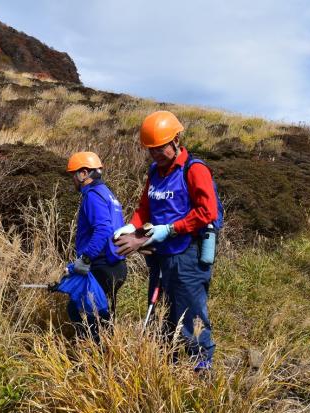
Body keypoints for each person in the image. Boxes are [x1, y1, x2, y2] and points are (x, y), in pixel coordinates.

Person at [113, 111, 221, 371]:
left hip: (187, 255)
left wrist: (170, 229)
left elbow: (208, 212)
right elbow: (144, 207)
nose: (156, 154)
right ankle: (166, 368)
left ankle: (202, 371)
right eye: (151, 150)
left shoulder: (195, 170)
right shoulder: (155, 172)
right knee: (163, 314)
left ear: (176, 139)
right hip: (160, 256)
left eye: (160, 148)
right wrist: (132, 225)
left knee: (190, 315)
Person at [66, 151, 128, 341]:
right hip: (115, 264)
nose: (73, 180)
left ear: (84, 173)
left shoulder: (92, 195)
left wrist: (85, 258)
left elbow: (103, 229)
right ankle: (106, 358)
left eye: (73, 175)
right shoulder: (107, 194)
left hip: (102, 265)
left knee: (81, 311)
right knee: (103, 318)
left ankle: (93, 360)